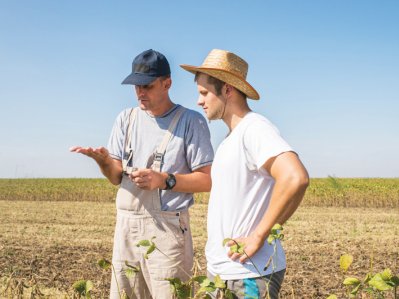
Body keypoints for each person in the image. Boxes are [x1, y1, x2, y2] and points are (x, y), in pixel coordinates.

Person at [71, 49, 214, 299]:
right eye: (135, 86)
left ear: (167, 83)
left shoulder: (190, 121)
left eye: (146, 86)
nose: (140, 92)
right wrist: (103, 162)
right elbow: (116, 177)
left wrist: (164, 180)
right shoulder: (125, 119)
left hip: (167, 229)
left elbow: (207, 179)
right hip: (126, 227)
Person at [180, 49, 309, 298]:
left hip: (249, 274)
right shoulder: (231, 138)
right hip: (225, 273)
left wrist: (259, 236)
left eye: (204, 92)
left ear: (228, 90)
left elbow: (296, 177)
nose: (199, 101)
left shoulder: (254, 128)